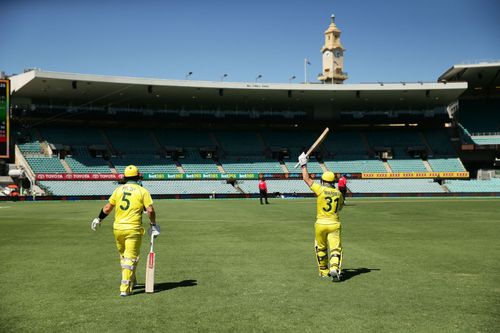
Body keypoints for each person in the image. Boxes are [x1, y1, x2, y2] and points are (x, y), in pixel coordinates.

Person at [91, 165, 160, 296]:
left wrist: (98, 219)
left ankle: (132, 280)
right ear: (138, 176)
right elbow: (150, 210)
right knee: (130, 258)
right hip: (133, 229)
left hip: (118, 229)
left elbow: (107, 208)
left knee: (124, 256)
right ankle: (125, 288)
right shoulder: (142, 191)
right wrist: (153, 224)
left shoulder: (118, 190)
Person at [298, 152, 344, 281]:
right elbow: (340, 207)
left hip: (320, 224)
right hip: (334, 224)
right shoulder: (338, 193)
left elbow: (306, 179)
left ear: (323, 181)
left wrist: (303, 164)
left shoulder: (320, 189)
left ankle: (324, 271)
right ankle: (334, 267)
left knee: (321, 248)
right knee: (335, 248)